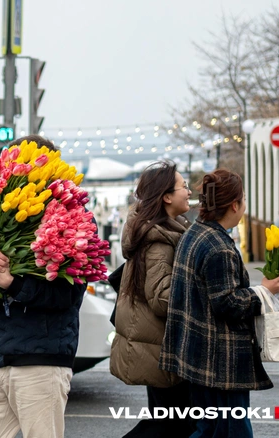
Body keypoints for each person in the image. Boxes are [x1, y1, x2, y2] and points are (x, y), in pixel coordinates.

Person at [0, 135, 85, 438]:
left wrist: (13, 284)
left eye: (24, 163)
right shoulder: (1, 211)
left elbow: (68, 295)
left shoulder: (71, 218)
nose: (18, 169)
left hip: (39, 363)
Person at [159, 169, 279, 438]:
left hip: (197, 354)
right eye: (243, 200)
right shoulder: (219, 246)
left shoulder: (195, 232)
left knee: (208, 428)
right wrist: (264, 291)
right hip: (221, 360)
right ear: (234, 205)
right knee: (232, 430)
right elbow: (227, 303)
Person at [109, 161, 194, 437]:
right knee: (170, 425)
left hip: (156, 345)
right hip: (160, 349)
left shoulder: (162, 230)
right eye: (184, 187)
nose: (189, 192)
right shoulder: (158, 241)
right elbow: (160, 298)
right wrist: (201, 297)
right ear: (166, 197)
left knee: (170, 423)